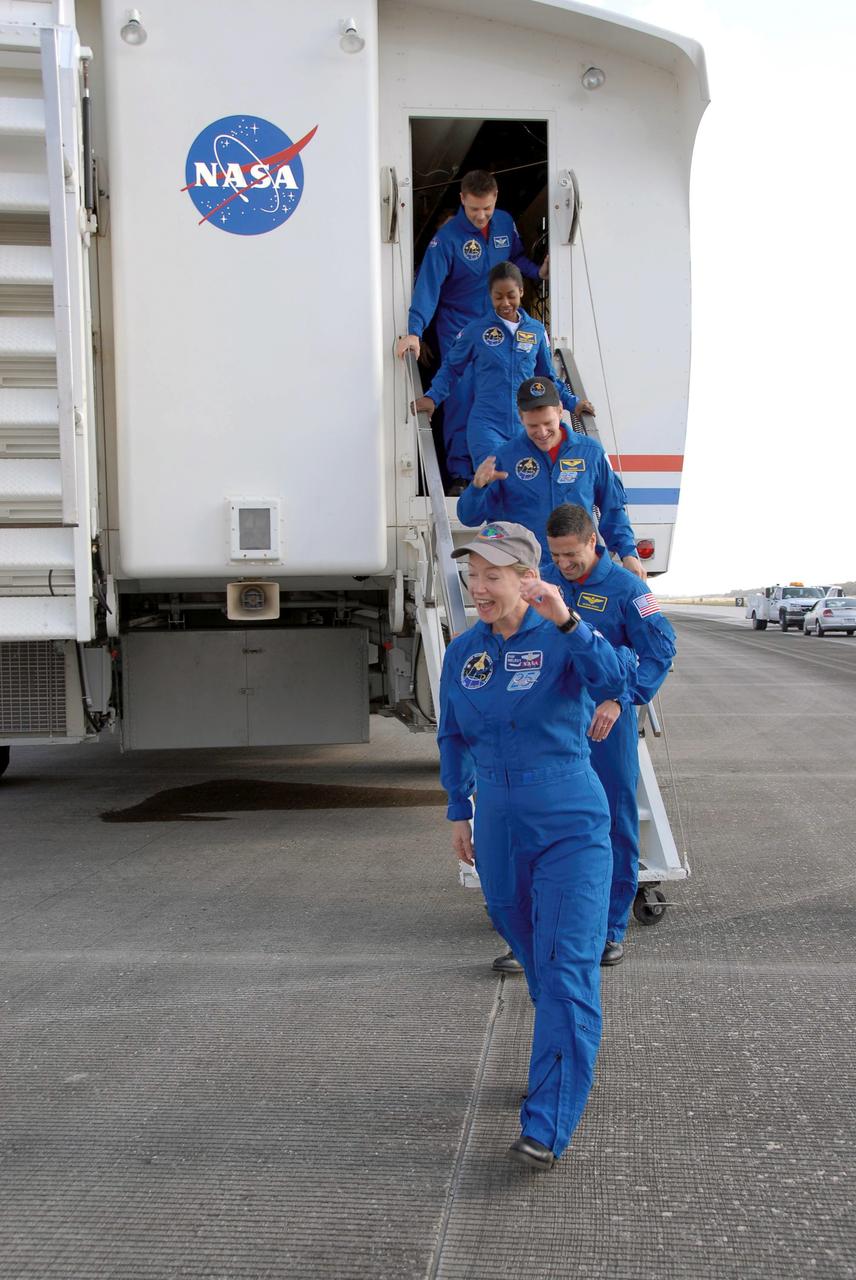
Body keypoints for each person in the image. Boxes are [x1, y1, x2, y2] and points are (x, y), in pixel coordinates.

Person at [438, 520, 626, 1171]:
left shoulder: (563, 636)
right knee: (532, 951)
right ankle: (566, 1052)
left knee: (567, 968)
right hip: (496, 824)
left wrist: (570, 621)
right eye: (472, 576)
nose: (479, 588)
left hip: (570, 820)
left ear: (526, 576)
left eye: (492, 576)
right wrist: (456, 808)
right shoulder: (465, 652)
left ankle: (547, 1122)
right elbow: (452, 736)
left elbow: (615, 678)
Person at [397, 171, 548, 492]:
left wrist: (539, 271)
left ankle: (508, 467)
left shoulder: (506, 224)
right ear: (462, 199)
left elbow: (516, 259)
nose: (481, 216)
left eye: (488, 209)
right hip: (459, 326)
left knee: (504, 395)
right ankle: (461, 473)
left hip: (500, 326)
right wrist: (414, 331)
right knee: (461, 396)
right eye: (474, 209)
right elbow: (427, 288)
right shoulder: (446, 240)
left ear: (496, 201)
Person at [457, 377, 644, 577]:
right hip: (528, 575)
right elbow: (469, 518)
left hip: (580, 571)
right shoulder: (503, 458)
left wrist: (628, 553)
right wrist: (477, 488)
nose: (542, 432)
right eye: (533, 426)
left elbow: (612, 509)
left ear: (560, 410)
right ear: (521, 418)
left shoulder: (590, 452)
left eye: (548, 423)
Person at [414, 262, 593, 470]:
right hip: (487, 426)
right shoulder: (475, 330)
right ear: (490, 295)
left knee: (522, 492)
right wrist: (432, 397)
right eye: (498, 297)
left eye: (511, 295)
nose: (505, 303)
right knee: (495, 483)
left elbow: (547, 380)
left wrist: (574, 404)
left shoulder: (536, 331)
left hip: (525, 427)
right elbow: (452, 368)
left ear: (522, 292)